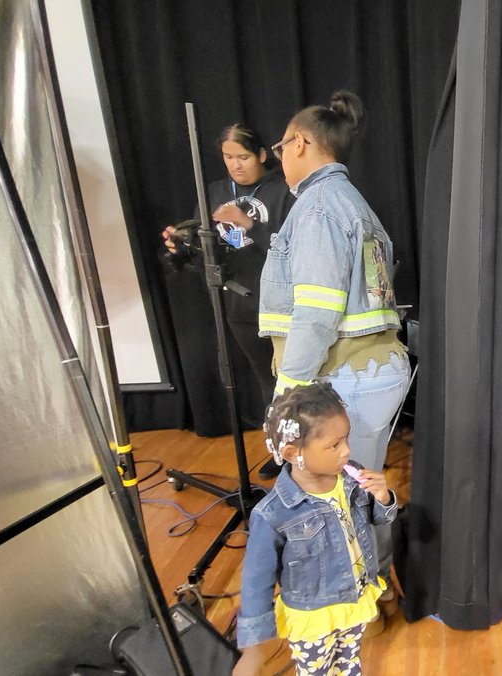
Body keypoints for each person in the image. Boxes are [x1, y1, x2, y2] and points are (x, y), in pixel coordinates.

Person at [260, 91, 410, 584]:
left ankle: (368, 591)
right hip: (368, 373)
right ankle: (371, 587)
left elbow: (317, 313)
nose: (278, 158)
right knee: (359, 486)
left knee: (352, 493)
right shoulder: (351, 203)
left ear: (300, 142)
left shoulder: (320, 207)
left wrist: (290, 387)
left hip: (350, 375)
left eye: (280, 147)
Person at [234, 383, 397, 676]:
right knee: (317, 671)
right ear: (291, 451)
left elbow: (378, 519)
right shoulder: (273, 514)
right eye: (334, 445)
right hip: (312, 616)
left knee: (349, 663)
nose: (346, 451)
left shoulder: (352, 479)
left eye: (346, 439)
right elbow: (256, 580)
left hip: (354, 599)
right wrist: (253, 650)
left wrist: (383, 498)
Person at [161, 124, 294, 477]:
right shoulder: (216, 192)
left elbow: (294, 249)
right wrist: (180, 246)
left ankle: (313, 455)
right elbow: (203, 256)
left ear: (262, 155)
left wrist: (249, 224)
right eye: (228, 157)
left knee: (295, 381)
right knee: (267, 383)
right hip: (238, 306)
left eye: (244, 157)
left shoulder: (284, 190)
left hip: (283, 305)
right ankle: (282, 454)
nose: (235, 165)